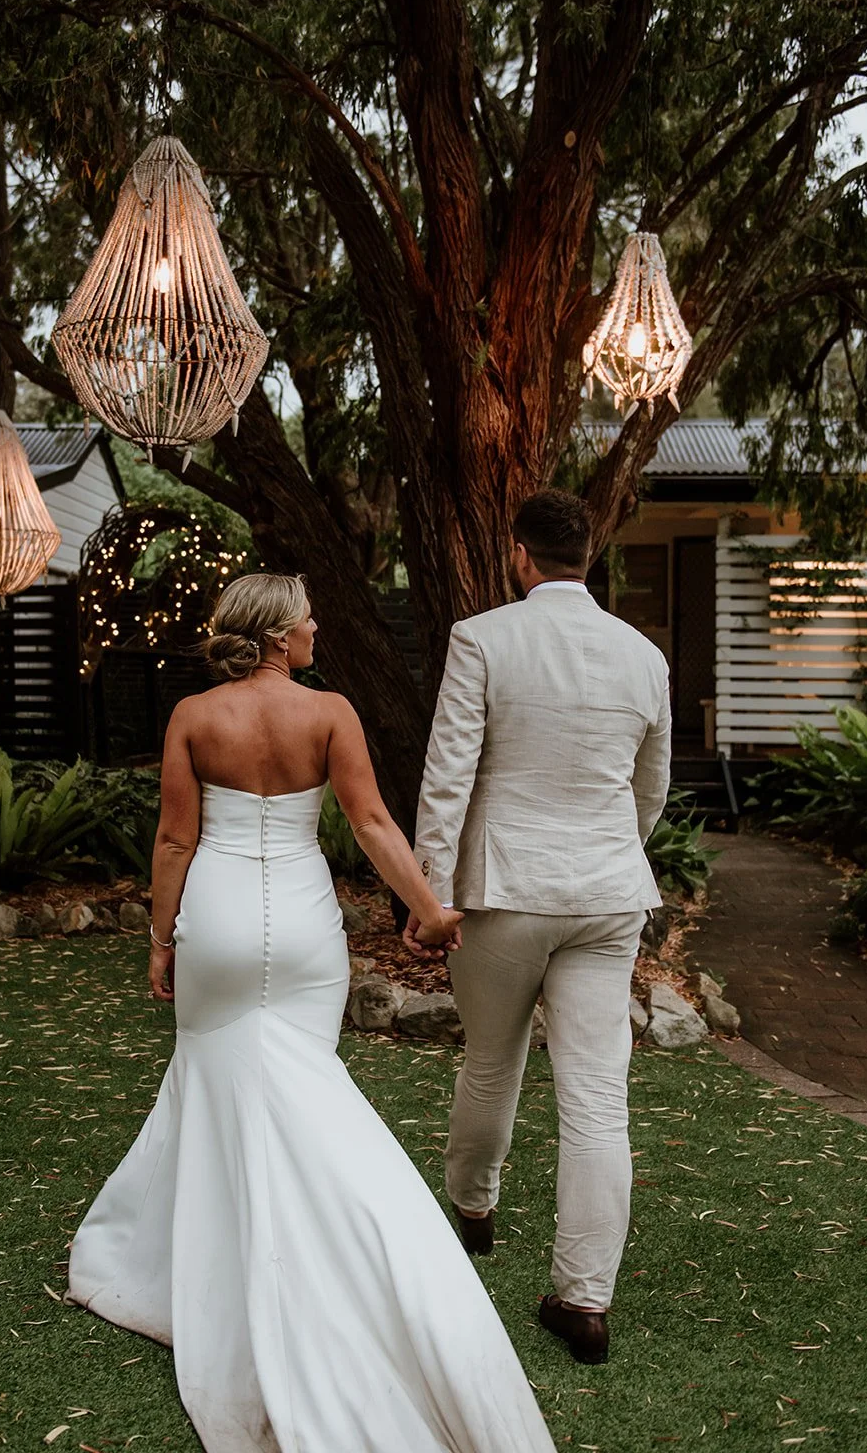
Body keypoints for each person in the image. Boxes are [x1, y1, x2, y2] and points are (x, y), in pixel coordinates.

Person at [67, 573, 555, 1453]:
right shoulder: (329, 713)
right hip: (299, 927)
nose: (318, 622)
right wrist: (427, 909)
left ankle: (212, 1264)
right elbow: (370, 822)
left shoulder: (193, 716)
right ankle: (340, 1248)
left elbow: (175, 838)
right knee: (304, 1086)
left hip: (213, 919)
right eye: (308, 613)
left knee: (221, 1085)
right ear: (282, 633)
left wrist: (159, 937)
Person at [406, 490, 671, 1367]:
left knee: (492, 1062)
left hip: (504, 890)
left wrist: (430, 893)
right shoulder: (643, 656)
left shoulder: (483, 637)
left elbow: (448, 774)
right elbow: (651, 788)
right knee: (598, 1100)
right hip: (606, 894)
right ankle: (583, 1298)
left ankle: (473, 1210)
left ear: (520, 555)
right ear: (585, 556)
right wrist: (607, 855)